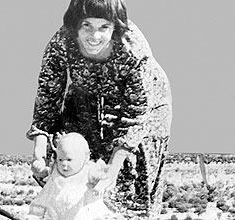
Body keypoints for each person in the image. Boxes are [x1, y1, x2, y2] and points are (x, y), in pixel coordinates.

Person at [26, 0, 172, 218]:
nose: (94, 36)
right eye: (87, 25)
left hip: (143, 111)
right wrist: (39, 157)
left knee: (127, 182)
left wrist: (111, 173)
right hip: (85, 98)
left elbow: (135, 117)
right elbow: (47, 99)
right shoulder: (62, 42)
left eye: (103, 27)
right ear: (75, 24)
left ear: (115, 27)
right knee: (68, 155)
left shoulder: (133, 51)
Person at [28, 132, 115, 220]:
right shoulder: (56, 170)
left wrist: (100, 186)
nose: (64, 164)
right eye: (60, 159)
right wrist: (39, 168)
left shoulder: (89, 171)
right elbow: (45, 182)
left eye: (69, 160)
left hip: (84, 213)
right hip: (57, 212)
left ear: (85, 158)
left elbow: (108, 178)